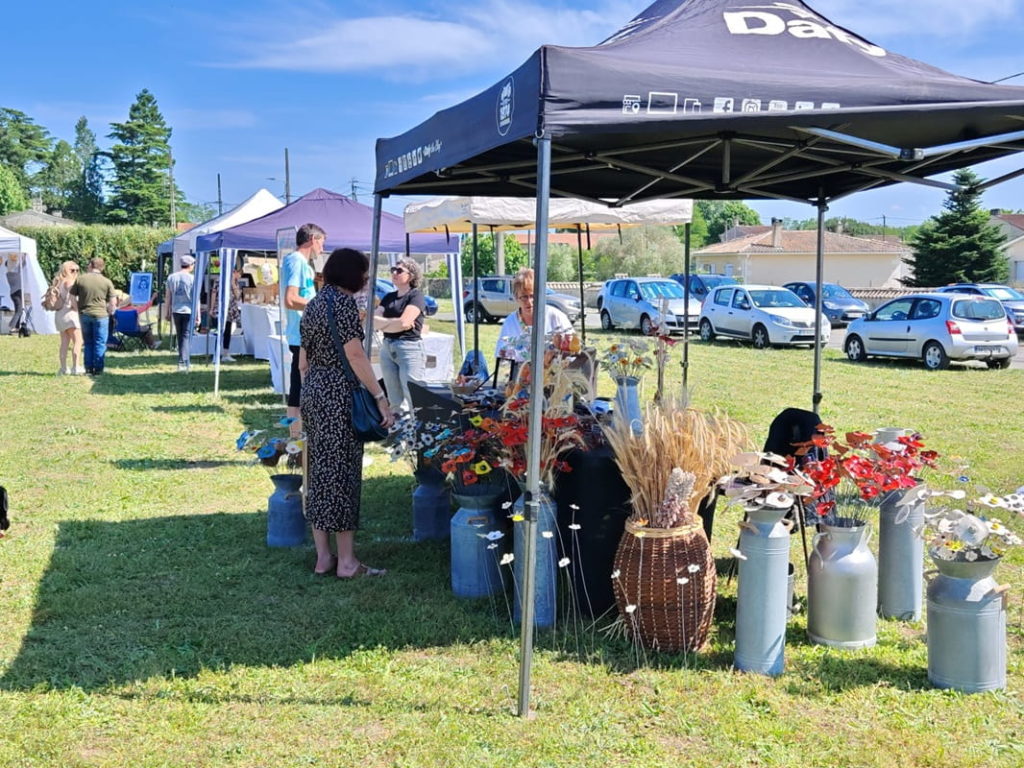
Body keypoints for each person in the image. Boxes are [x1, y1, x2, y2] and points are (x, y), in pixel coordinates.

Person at [299, 247, 394, 578]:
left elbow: (303, 362)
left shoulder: (311, 306)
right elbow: (355, 355)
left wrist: (312, 395)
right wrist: (379, 395)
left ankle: (323, 557)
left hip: (314, 391)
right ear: (352, 275)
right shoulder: (343, 306)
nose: (366, 280)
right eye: (364, 274)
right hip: (339, 395)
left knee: (320, 473)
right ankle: (348, 562)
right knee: (342, 475)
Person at [282, 223, 325, 434]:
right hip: (302, 335)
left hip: (304, 334)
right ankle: (297, 440)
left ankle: (297, 438)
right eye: (322, 243)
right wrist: (320, 306)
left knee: (300, 387)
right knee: (300, 389)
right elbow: (290, 299)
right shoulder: (296, 261)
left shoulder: (301, 264)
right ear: (312, 239)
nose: (322, 249)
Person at [373, 257, 426, 413]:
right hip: (387, 347)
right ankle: (399, 434)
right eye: (393, 270)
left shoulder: (416, 296)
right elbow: (374, 322)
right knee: (395, 399)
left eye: (399, 270)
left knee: (414, 397)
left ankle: (419, 434)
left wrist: (388, 323)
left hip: (409, 348)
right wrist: (395, 324)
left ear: (411, 276)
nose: (394, 273)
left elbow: (404, 323)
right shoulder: (388, 297)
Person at [495, 267, 573, 362]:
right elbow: (502, 359)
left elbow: (573, 352)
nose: (529, 301)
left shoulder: (556, 317)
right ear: (516, 298)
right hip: (520, 375)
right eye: (524, 297)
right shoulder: (510, 323)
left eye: (533, 296)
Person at [71, 257, 117, 376]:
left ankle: (88, 368)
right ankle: (98, 369)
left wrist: (77, 310)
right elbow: (113, 301)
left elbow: (71, 297)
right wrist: (111, 312)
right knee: (100, 342)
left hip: (85, 314)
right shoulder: (107, 282)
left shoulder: (80, 279)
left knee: (88, 342)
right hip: (101, 315)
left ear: (91, 265)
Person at [50, 261, 84, 374]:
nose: (75, 272)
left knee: (64, 342)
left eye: (77, 270)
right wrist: (78, 309)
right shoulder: (69, 282)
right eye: (72, 270)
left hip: (59, 314)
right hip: (70, 314)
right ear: (66, 270)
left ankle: (63, 368)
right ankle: (76, 366)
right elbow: (73, 298)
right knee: (78, 341)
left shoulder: (57, 281)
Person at [165, 255, 196, 371]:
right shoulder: (193, 279)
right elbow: (195, 298)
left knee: (179, 335)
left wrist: (167, 311)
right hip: (188, 310)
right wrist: (197, 314)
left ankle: (183, 360)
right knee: (186, 336)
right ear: (191, 265)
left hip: (176, 310)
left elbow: (168, 296)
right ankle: (183, 362)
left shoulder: (171, 277)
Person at [212, 264, 242, 362]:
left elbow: (238, 296)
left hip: (231, 309)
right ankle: (216, 354)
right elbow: (214, 293)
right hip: (220, 307)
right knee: (220, 330)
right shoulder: (219, 279)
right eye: (239, 273)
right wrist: (212, 308)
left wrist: (233, 283)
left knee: (228, 331)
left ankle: (225, 353)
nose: (240, 275)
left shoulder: (236, 282)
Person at [5, 253, 25, 335]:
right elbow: (21, 265)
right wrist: (24, 257)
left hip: (13, 293)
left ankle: (16, 327)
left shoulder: (8, 274)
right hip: (17, 292)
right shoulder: (15, 273)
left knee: (18, 310)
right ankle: (12, 327)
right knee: (19, 311)